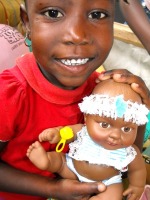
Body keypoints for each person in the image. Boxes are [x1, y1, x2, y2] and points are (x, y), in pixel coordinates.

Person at [0, 0, 150, 199]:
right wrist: (52, 188)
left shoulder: (102, 92)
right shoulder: (10, 93)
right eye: (53, 13)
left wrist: (138, 108)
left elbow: (124, 156)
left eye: (97, 15)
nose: (77, 35)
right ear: (27, 22)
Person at [27, 79, 148, 200]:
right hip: (71, 168)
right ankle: (46, 160)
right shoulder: (82, 131)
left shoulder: (129, 151)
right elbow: (68, 132)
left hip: (107, 182)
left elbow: (137, 170)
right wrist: (58, 134)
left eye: (126, 129)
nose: (115, 135)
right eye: (104, 125)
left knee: (114, 194)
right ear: (86, 117)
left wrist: (137, 186)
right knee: (59, 161)